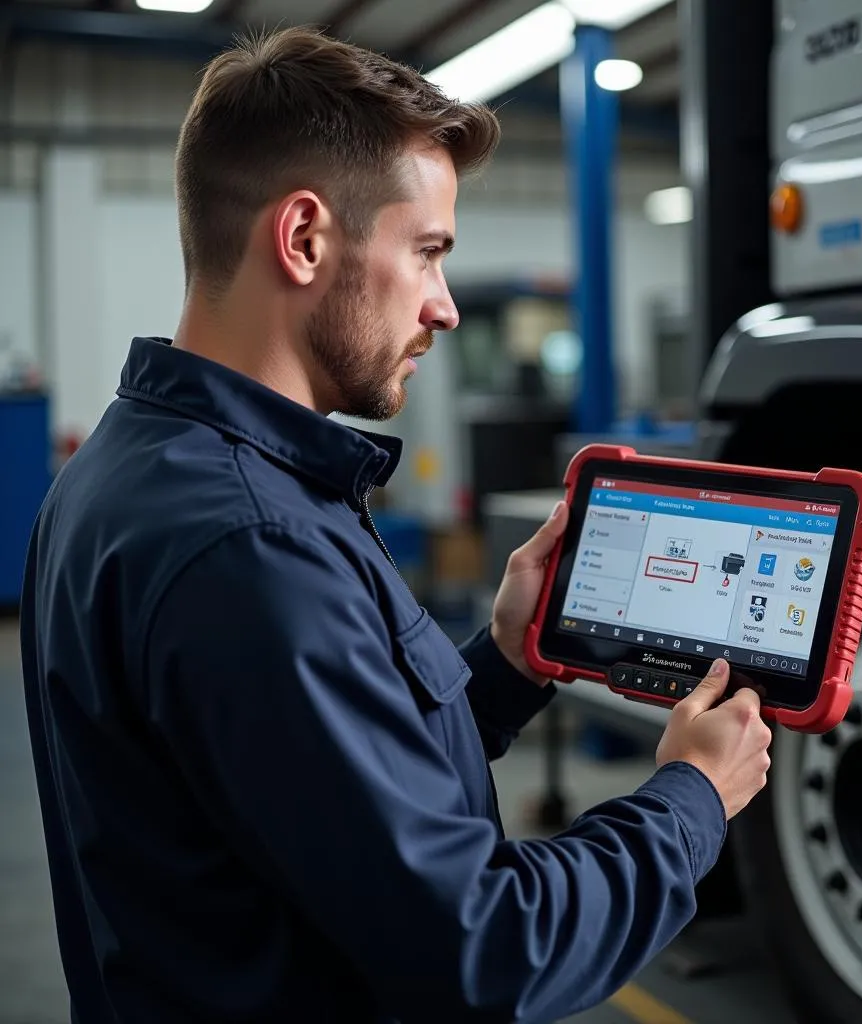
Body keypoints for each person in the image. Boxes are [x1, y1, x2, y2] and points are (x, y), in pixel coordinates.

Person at [19, 25, 772, 1024]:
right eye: (425, 254)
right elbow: (484, 949)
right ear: (303, 239)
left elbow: (320, 797)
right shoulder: (252, 546)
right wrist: (689, 797)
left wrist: (506, 662)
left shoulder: (128, 465)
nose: (446, 306)